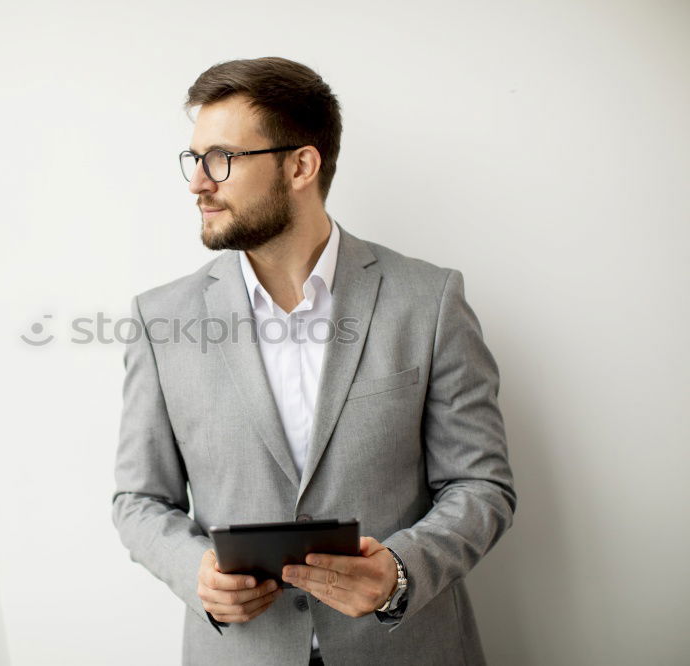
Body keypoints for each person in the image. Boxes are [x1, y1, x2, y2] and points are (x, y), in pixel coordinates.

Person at [112, 57, 515, 666]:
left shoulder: (429, 300)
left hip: (406, 648)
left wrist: (402, 570)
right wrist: (194, 572)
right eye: (193, 160)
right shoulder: (158, 318)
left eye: (220, 158)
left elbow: (480, 484)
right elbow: (139, 499)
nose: (198, 182)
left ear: (301, 164)